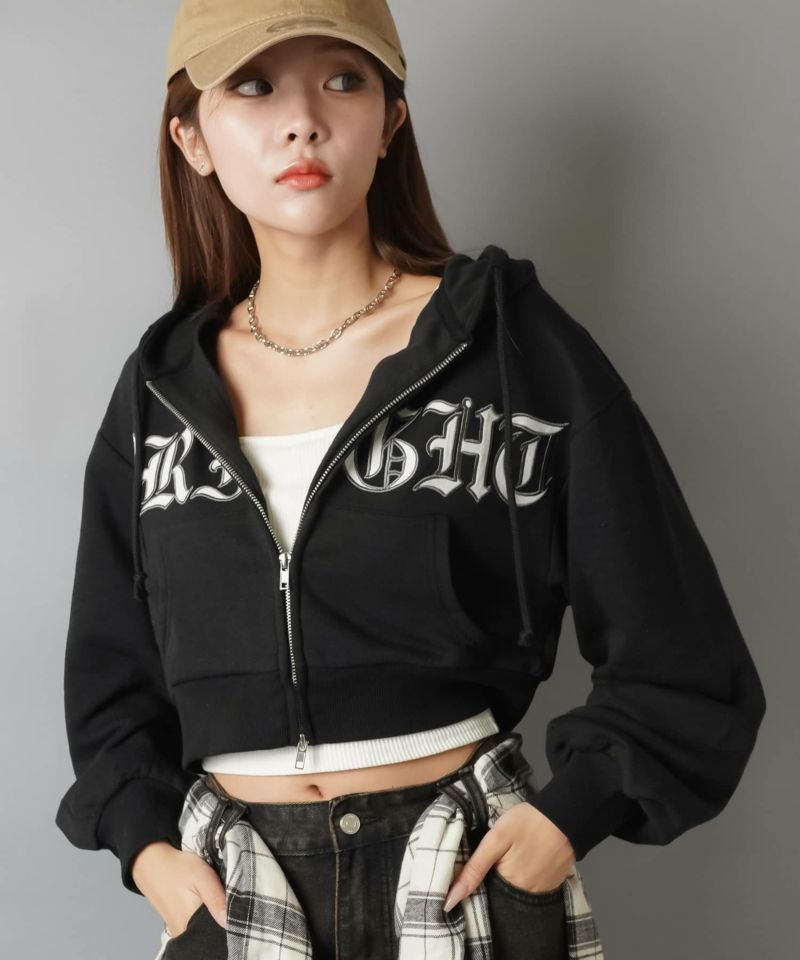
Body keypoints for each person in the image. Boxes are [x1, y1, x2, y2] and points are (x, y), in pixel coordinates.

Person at [55, 2, 767, 958]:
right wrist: (152, 856)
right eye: (254, 87)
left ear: (390, 120)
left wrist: (558, 829)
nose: (302, 121)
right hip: (238, 891)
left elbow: (683, 652)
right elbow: (109, 686)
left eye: (342, 80)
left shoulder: (511, 350)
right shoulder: (158, 396)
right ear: (192, 139)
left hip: (462, 875)